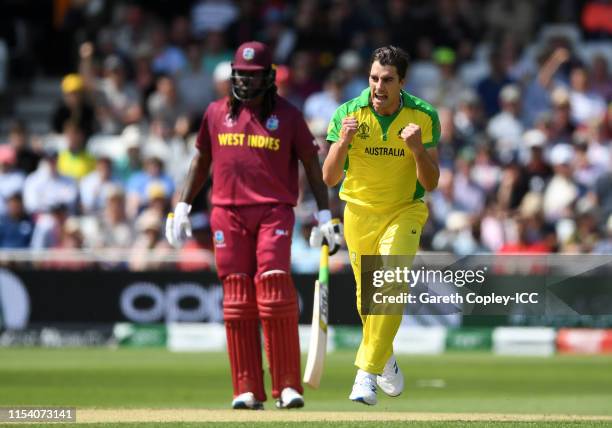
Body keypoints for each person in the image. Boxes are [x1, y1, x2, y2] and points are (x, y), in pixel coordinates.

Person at [165, 41, 342, 410]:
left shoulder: (289, 116)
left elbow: (312, 166)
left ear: (269, 77)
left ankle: (288, 386)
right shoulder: (215, 113)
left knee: (275, 290)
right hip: (226, 214)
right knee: (236, 300)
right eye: (240, 75)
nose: (245, 82)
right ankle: (246, 388)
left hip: (273, 212)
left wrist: (325, 215)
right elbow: (200, 161)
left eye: (253, 75)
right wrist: (182, 205)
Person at [322, 46, 440, 405]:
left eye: (387, 80)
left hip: (404, 211)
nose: (378, 86)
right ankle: (384, 356)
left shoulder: (423, 115)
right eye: (374, 78)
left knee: (389, 284)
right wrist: (343, 141)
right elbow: (328, 177)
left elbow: (432, 182)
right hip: (358, 214)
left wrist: (418, 149)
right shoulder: (347, 113)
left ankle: (365, 374)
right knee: (368, 302)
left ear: (402, 82)